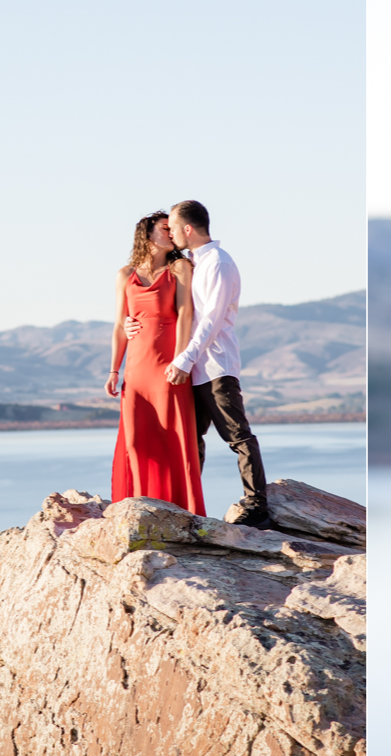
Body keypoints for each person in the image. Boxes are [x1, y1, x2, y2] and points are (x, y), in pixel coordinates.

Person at [127, 200, 271, 527]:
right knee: (191, 442)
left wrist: (183, 358)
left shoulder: (218, 263)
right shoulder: (194, 263)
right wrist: (128, 323)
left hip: (216, 367)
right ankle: (186, 509)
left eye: (174, 228)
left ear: (187, 229)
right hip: (194, 370)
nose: (172, 234)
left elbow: (211, 321)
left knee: (238, 437)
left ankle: (257, 505)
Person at [105, 210, 205, 515]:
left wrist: (180, 361)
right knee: (136, 442)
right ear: (147, 234)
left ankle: (180, 511)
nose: (171, 234)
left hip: (168, 364)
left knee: (172, 440)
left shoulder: (180, 267)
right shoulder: (126, 274)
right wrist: (114, 369)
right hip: (136, 368)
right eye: (165, 229)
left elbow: (185, 313)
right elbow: (121, 325)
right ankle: (139, 507)